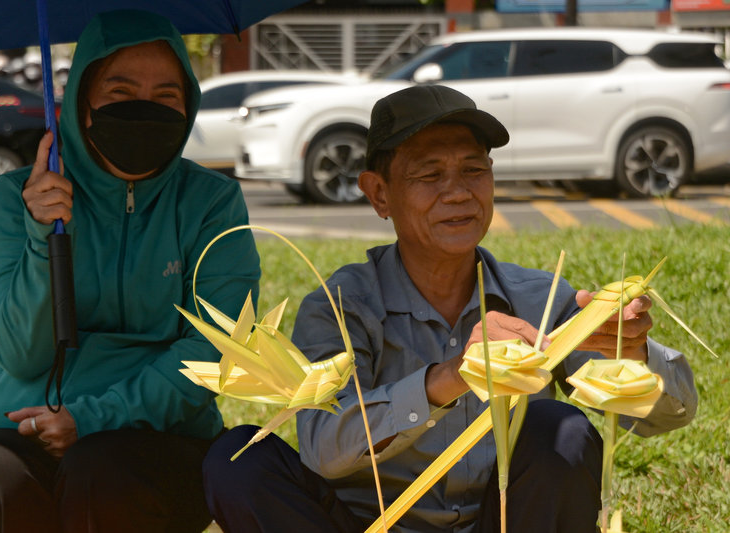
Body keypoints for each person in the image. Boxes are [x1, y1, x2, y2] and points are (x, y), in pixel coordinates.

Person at [202, 85, 697, 533]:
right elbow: (324, 447)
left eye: (474, 170)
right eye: (429, 174)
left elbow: (666, 416)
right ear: (379, 194)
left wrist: (630, 355)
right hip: (368, 524)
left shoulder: (539, 299)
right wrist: (451, 377)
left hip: (501, 520)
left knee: (559, 427)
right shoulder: (341, 307)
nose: (458, 192)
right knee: (237, 459)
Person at [0, 9, 260, 533]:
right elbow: (20, 352)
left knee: (101, 473)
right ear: (81, 104)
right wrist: (43, 236)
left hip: (159, 435)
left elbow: (217, 347)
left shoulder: (212, 202)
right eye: (120, 92)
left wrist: (93, 418)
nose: (144, 108)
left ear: (188, 105)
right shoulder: (15, 198)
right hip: (26, 426)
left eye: (166, 96)